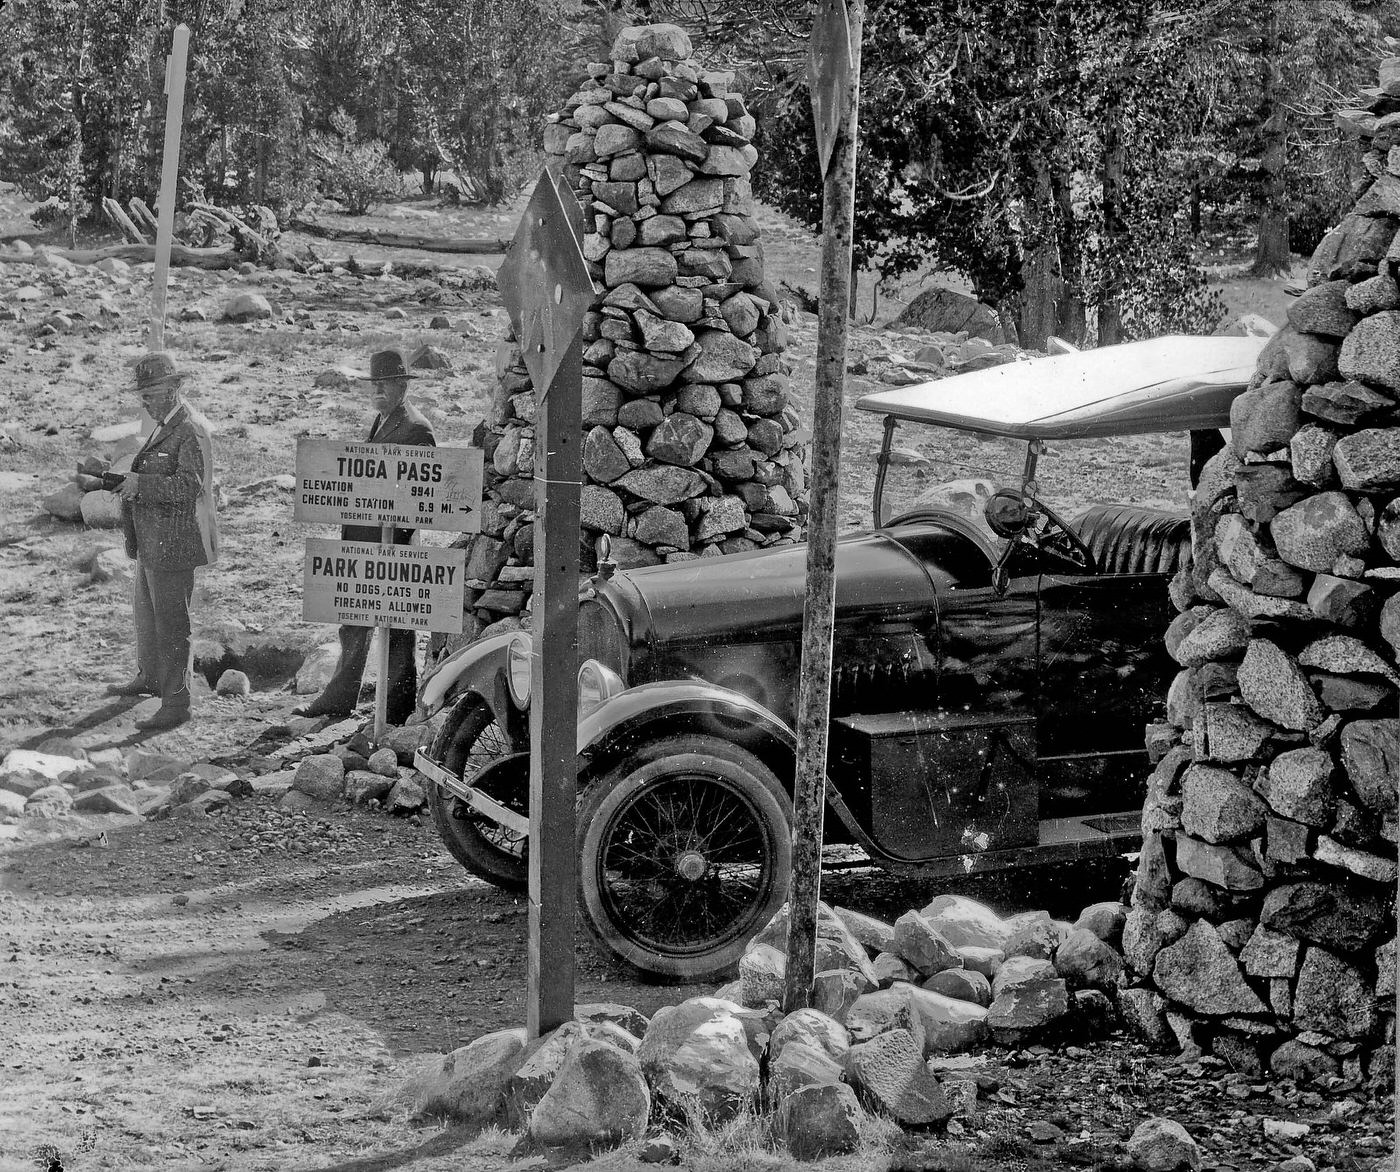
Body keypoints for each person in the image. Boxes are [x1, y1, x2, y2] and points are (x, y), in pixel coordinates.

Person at [294, 349, 437, 723]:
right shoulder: (382, 419)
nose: (378, 390)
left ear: (403, 385)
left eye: (386, 384)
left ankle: (396, 709)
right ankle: (339, 698)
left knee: (399, 629)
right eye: (374, 384)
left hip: (394, 547)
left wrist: (393, 544)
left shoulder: (416, 428)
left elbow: (421, 496)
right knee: (353, 621)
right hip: (364, 543)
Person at [106, 351, 219, 731]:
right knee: (147, 616)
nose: (146, 401)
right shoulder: (165, 424)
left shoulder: (191, 428)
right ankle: (151, 678)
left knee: (172, 624)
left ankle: (176, 703)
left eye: (152, 393)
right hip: (153, 541)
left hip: (174, 545)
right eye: (143, 394)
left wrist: (140, 486)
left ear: (174, 388)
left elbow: (191, 485)